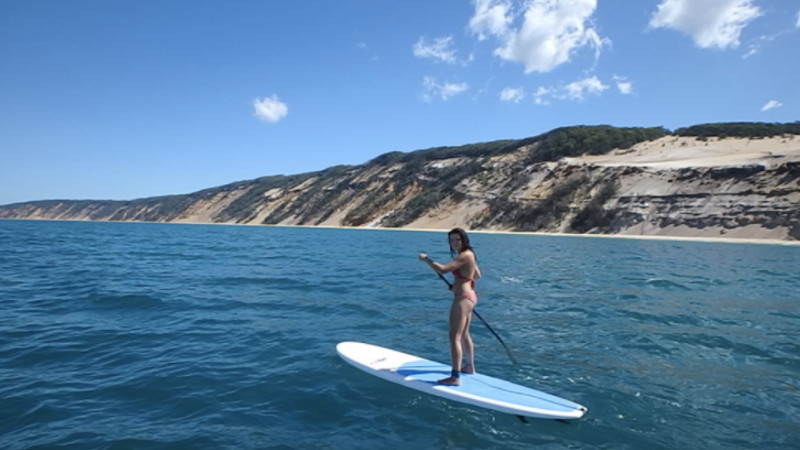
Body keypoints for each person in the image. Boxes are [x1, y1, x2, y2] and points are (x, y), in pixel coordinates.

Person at [418, 227, 482, 386]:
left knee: (454, 337)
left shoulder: (465, 255)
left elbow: (443, 269)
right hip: (469, 296)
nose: (454, 243)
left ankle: (455, 377)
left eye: (457, 240)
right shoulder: (470, 255)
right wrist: (460, 283)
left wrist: (427, 260)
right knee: (465, 334)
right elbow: (477, 275)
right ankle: (469, 367)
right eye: (452, 240)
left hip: (462, 299)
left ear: (464, 240)